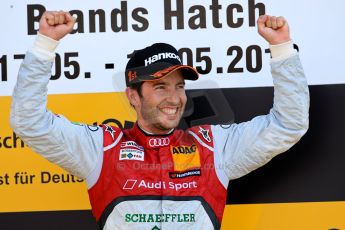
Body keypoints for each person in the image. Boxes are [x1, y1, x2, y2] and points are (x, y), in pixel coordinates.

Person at [10, 11, 309, 230]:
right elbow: (29, 121)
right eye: (160, 87)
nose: (175, 98)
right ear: (133, 96)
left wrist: (282, 50)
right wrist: (44, 47)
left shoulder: (214, 146)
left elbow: (288, 125)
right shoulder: (100, 148)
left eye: (179, 86)